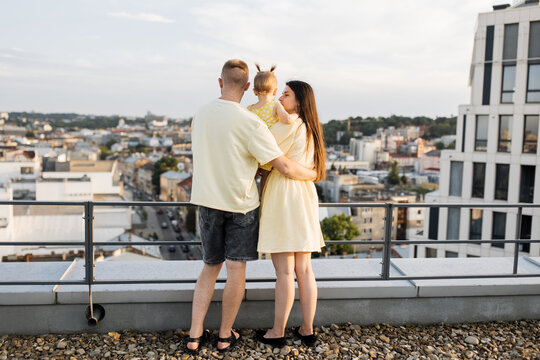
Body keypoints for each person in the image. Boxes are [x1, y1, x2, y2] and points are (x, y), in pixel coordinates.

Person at [186, 60, 317, 355]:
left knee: (209, 269)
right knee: (236, 271)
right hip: (241, 203)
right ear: (247, 87)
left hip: (207, 201)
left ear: (220, 82)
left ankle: (194, 335)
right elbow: (279, 164)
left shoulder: (200, 115)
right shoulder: (250, 121)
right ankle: (223, 335)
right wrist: (313, 174)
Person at [256, 80, 326, 347]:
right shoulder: (311, 128)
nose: (281, 98)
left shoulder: (287, 124)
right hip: (305, 196)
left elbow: (262, 153)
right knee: (305, 270)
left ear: (298, 100)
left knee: (284, 272)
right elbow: (315, 170)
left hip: (284, 195)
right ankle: (307, 329)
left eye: (286, 94)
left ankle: (277, 331)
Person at [247, 64, 298, 192]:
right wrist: (296, 114)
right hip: (268, 150)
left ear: (254, 91)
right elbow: (287, 119)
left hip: (253, 151)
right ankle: (263, 199)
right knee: (265, 178)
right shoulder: (275, 105)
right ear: (275, 91)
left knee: (249, 179)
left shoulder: (249, 109)